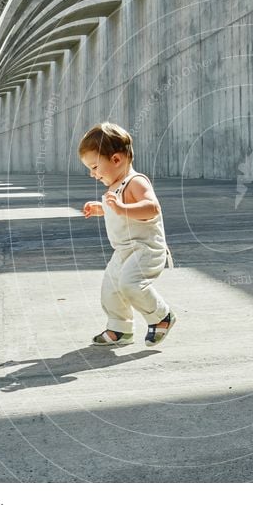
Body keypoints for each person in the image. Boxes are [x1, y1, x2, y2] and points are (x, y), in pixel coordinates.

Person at [78, 122, 176, 347]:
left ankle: (162, 317)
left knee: (131, 284)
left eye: (94, 167)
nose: (92, 174)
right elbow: (118, 211)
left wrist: (122, 209)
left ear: (115, 159)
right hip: (124, 251)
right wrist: (100, 208)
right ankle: (120, 329)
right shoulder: (114, 185)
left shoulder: (135, 182)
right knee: (110, 289)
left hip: (146, 249)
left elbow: (152, 207)